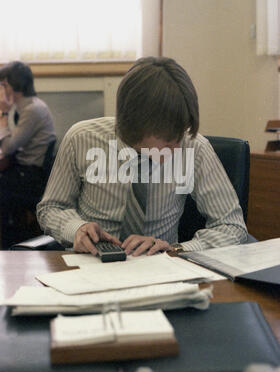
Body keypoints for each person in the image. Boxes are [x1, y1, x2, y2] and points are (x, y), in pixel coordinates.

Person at [37, 56, 247, 256]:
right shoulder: (81, 139)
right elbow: (51, 208)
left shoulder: (194, 147)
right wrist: (76, 229)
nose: (176, 148)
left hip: (159, 269)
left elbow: (232, 227)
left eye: (180, 135)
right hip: (88, 264)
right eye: (167, 142)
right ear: (134, 126)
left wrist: (176, 250)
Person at [0, 61, 56, 246]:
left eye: (4, 85)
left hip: (30, 176)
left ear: (14, 86)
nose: (2, 89)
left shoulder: (33, 110)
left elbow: (8, 147)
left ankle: (7, 242)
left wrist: (5, 114)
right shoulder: (29, 107)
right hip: (25, 170)